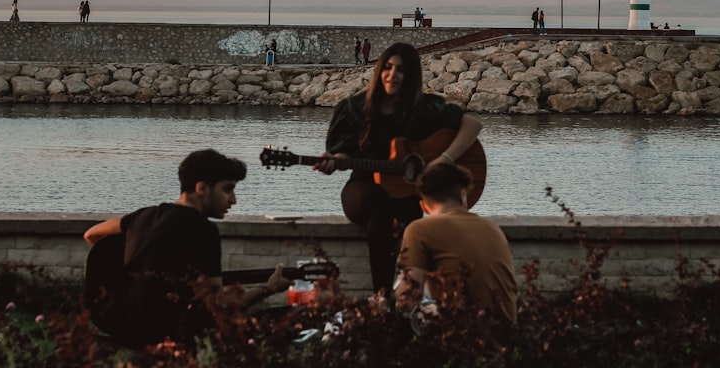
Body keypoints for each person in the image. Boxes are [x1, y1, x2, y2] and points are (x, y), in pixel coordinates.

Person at [314, 42, 482, 298]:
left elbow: (472, 124)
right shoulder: (354, 109)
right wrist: (334, 160)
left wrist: (444, 160)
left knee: (404, 210)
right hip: (363, 189)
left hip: (405, 194)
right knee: (380, 203)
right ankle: (384, 298)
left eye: (401, 70)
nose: (392, 75)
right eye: (388, 68)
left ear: (411, 75)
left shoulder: (424, 109)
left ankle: (407, 298)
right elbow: (343, 153)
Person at [83, 149, 289, 346]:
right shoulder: (204, 230)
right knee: (283, 317)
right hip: (172, 333)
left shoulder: (144, 216)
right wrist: (268, 289)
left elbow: (92, 234)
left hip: (124, 326)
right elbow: (219, 305)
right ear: (201, 188)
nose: (233, 199)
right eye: (227, 189)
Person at [395, 162, 518, 333]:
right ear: (462, 195)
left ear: (423, 206)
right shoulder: (493, 228)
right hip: (505, 335)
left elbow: (408, 295)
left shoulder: (419, 229)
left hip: (461, 338)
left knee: (407, 290)